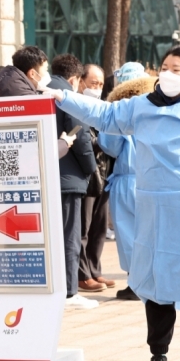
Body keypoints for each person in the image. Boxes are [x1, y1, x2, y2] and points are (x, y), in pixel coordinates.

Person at [47, 46, 180, 361]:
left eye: (176, 69)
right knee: (154, 285)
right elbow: (105, 115)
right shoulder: (143, 107)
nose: (167, 73)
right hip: (152, 209)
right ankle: (158, 356)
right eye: (164, 66)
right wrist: (63, 97)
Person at [48, 54, 99, 308]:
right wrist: (90, 170)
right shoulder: (68, 96)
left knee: (52, 237)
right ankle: (70, 292)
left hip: (46, 177)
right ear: (74, 78)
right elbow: (80, 138)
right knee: (70, 236)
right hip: (68, 178)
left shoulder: (40, 91)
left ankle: (55, 288)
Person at [100, 64, 154, 302]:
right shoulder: (155, 106)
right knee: (151, 232)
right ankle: (155, 280)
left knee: (128, 233)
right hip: (153, 180)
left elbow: (110, 146)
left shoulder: (120, 110)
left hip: (126, 179)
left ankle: (136, 283)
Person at [77, 64, 116, 292]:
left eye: (101, 84)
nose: (97, 88)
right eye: (93, 83)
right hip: (86, 175)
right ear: (81, 82)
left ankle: (94, 269)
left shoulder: (102, 107)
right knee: (84, 227)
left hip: (105, 173)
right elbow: (81, 140)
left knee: (99, 228)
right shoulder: (76, 107)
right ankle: (82, 275)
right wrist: (101, 141)